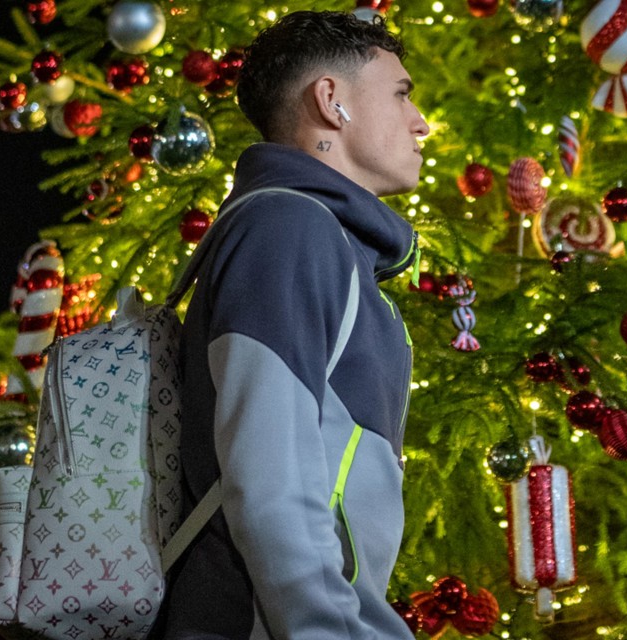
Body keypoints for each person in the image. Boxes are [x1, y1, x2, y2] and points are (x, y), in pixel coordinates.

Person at [162, 10, 429, 639]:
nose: (421, 122)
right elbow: (268, 475)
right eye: (401, 94)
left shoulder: (318, 238)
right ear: (332, 102)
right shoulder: (289, 229)